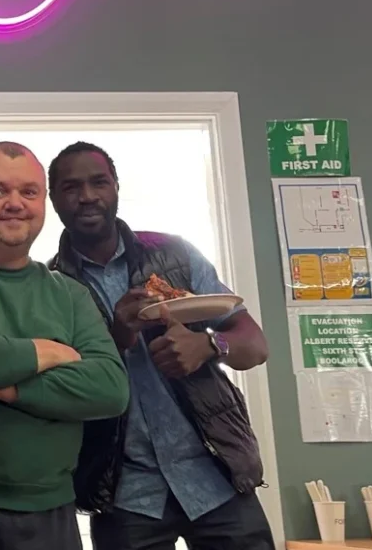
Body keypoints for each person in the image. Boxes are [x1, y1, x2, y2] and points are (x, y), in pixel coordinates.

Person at [47, 141, 273, 550]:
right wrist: (116, 339)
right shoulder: (48, 286)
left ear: (116, 186)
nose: (87, 197)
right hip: (125, 494)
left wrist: (209, 345)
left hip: (217, 476)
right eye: (71, 187)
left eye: (99, 182)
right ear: (54, 199)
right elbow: (58, 389)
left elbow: (254, 344)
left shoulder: (175, 254)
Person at [0, 141, 129, 550]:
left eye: (28, 192)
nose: (15, 204)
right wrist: (46, 354)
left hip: (54, 516)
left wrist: (4, 386)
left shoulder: (71, 294)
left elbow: (110, 387)